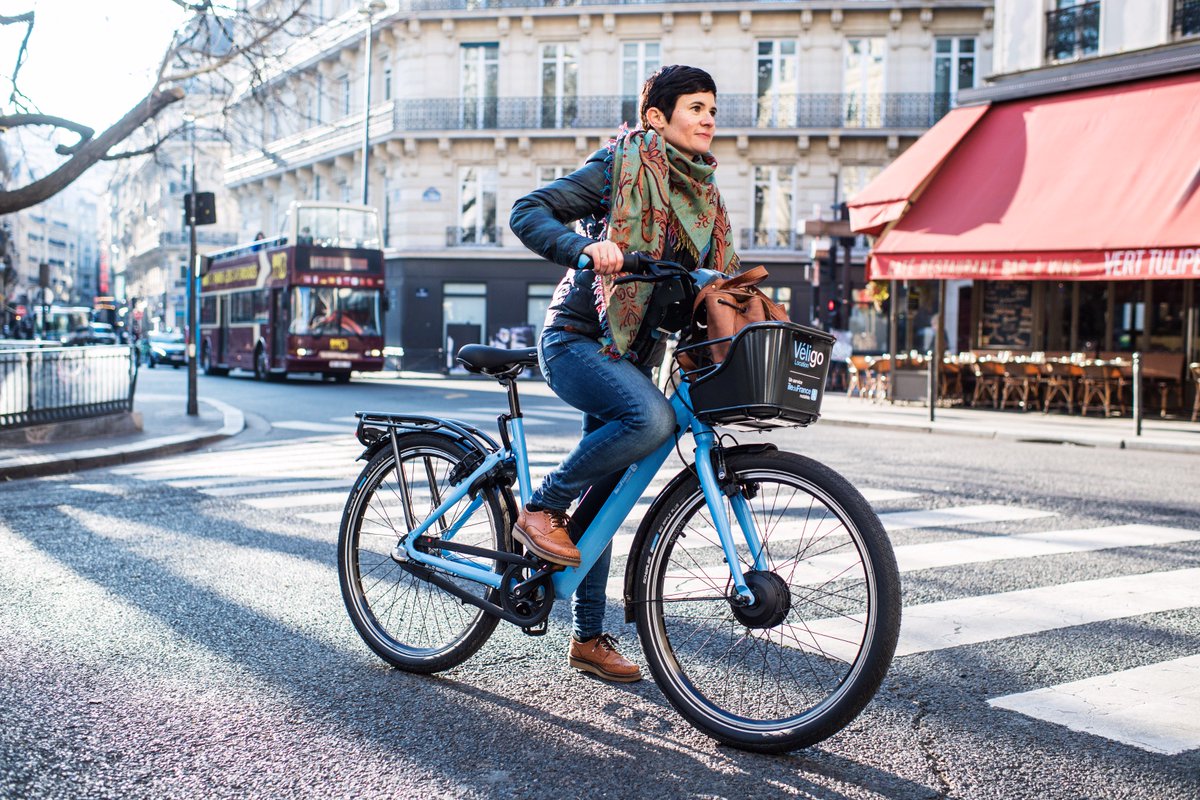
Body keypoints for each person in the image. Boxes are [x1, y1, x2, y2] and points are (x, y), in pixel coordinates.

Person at [509, 65, 740, 683]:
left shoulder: (704, 196)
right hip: (577, 340)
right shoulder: (621, 165)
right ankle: (542, 506)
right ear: (656, 118)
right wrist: (586, 247)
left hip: (634, 355)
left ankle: (586, 638)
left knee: (608, 494)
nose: (709, 120)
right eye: (696, 108)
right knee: (651, 420)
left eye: (713, 110)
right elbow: (529, 211)